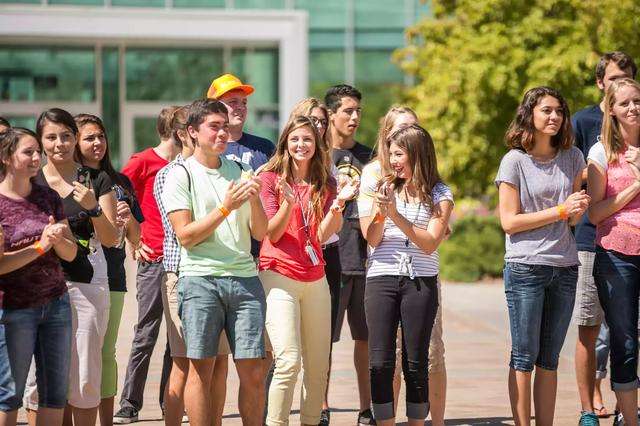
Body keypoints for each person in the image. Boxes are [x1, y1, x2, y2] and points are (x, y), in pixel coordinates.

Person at [163, 99, 268, 426]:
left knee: (253, 372)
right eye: (214, 126)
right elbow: (185, 235)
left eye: (225, 126)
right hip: (200, 281)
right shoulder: (179, 174)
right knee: (201, 370)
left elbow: (260, 231)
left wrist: (254, 200)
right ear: (192, 132)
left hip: (245, 280)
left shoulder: (239, 171)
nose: (223, 132)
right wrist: (225, 207)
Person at [496, 87, 589, 426]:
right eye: (546, 110)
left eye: (559, 111)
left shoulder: (573, 157)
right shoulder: (514, 161)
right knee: (524, 356)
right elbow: (509, 222)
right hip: (526, 268)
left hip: (564, 267)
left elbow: (573, 219)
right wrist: (562, 210)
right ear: (530, 115)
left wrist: (577, 209)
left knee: (549, 360)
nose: (554, 117)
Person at [259, 115, 358, 426]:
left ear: (317, 146)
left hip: (315, 278)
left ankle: (311, 421)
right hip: (278, 275)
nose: (301, 145)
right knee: (288, 360)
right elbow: (271, 233)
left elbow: (318, 234)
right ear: (286, 144)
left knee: (318, 366)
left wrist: (338, 203)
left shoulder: (325, 183)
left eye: (308, 140)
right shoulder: (269, 179)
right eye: (295, 139)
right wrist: (288, 202)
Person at [358, 106, 448, 426]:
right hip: (381, 277)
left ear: (417, 153)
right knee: (380, 361)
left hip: (420, 280)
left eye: (400, 154)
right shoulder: (382, 185)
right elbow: (372, 237)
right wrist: (382, 211)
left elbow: (430, 242)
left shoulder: (440, 193)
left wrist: (397, 215)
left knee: (415, 362)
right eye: (392, 154)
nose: (393, 161)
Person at [33, 108, 121, 426]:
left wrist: (93, 208)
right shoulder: (31, 180)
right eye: (52, 137)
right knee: (41, 377)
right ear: (41, 142)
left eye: (66, 136)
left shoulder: (96, 179)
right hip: (38, 284)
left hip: (87, 282)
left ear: (74, 138)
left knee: (85, 373)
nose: (60, 143)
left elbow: (111, 238)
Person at [571, 51, 637, 426]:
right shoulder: (585, 124)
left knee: (624, 332)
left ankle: (622, 406)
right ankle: (589, 405)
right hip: (596, 242)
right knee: (593, 326)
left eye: (629, 85)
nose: (630, 104)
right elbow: (579, 182)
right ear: (602, 85)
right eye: (614, 81)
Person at [154, 105, 231, 426]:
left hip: (220, 275)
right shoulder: (172, 174)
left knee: (219, 364)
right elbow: (183, 231)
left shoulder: (223, 170)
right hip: (182, 276)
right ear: (186, 133)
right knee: (185, 363)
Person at [0, 127, 76, 426]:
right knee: (9, 393)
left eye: (37, 153)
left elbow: (70, 255)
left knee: (55, 393)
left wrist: (59, 241)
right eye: (28, 152)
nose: (36, 158)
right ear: (7, 157)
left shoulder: (48, 197)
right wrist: (41, 245)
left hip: (56, 305)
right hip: (15, 308)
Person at [74, 113, 143, 426]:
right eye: (89, 137)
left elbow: (135, 239)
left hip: (113, 277)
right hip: (74, 277)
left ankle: (105, 421)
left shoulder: (121, 182)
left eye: (100, 136)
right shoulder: (70, 181)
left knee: (106, 352)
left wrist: (127, 220)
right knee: (74, 354)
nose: (97, 143)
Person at [115, 106, 181, 424]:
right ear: (178, 130)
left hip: (182, 260)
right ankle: (130, 402)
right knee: (146, 332)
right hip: (153, 258)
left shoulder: (186, 165)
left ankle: (171, 400)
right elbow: (118, 196)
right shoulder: (143, 161)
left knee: (177, 336)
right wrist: (133, 237)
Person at [587, 77, 640, 426]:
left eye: (637, 101)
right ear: (612, 110)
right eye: (625, 103)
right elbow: (595, 212)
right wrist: (637, 183)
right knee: (624, 340)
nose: (634, 108)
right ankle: (629, 418)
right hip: (617, 255)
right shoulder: (601, 151)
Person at [324, 84, 375, 426]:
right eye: (347, 111)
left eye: (358, 111)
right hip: (327, 259)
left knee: (366, 338)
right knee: (322, 339)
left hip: (364, 257)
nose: (355, 117)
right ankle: (322, 406)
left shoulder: (370, 156)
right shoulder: (315, 155)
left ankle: (366, 408)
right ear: (330, 114)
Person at [288, 98, 340, 425]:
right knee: (286, 344)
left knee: (320, 340)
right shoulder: (285, 164)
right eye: (310, 121)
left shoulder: (329, 166)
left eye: (321, 122)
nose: (317, 127)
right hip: (288, 258)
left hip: (325, 254)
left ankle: (319, 404)